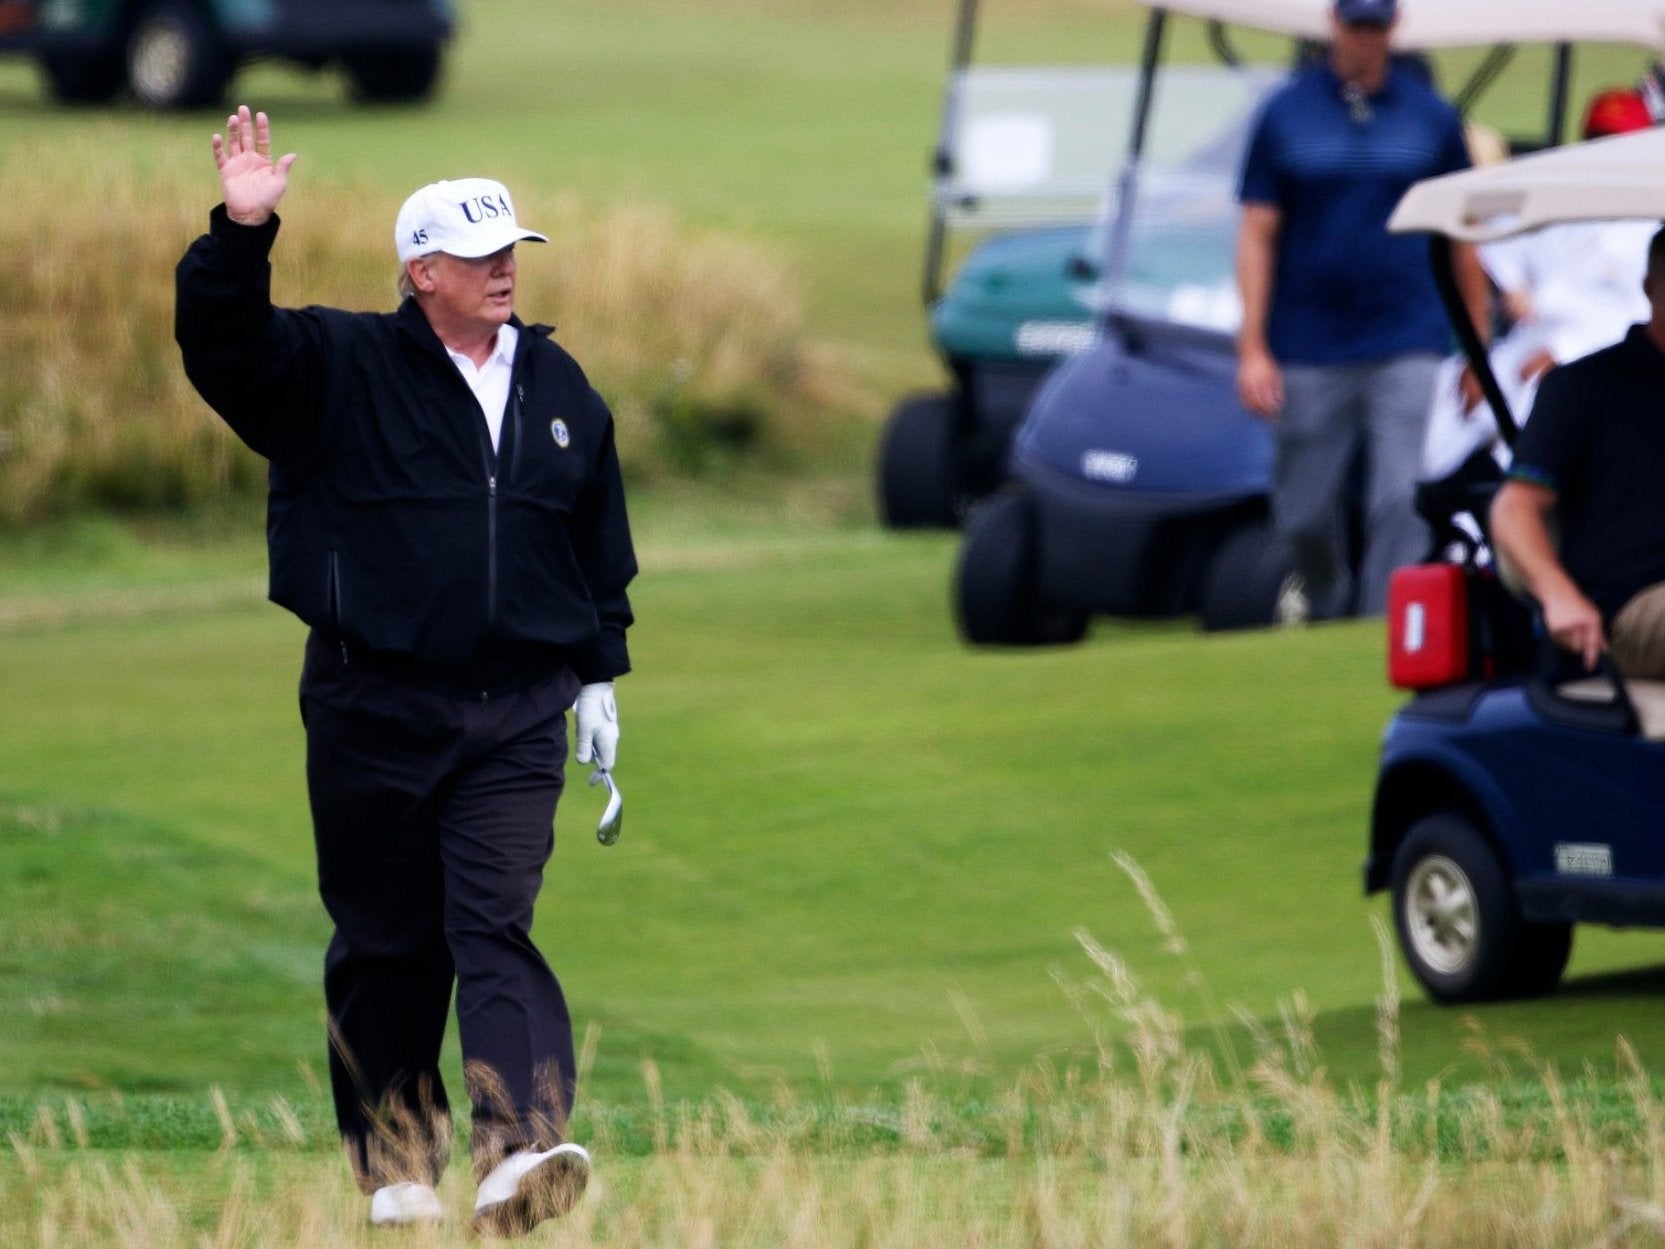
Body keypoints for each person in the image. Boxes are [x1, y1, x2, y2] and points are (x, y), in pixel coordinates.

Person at [174, 106, 636, 1236]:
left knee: (494, 923)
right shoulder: (336, 366)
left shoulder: (559, 387)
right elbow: (225, 350)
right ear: (419, 270)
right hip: (370, 701)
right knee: (388, 939)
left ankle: (519, 1153)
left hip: (516, 707)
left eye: (510, 254)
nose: (501, 274)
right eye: (478, 258)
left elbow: (593, 542)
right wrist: (242, 232)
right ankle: (396, 1163)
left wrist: (599, 673)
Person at [1234, 0, 1489, 620]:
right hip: (1307, 340)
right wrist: (1252, 347)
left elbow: (1463, 238)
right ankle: (1326, 600)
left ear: (1392, 29)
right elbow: (1257, 232)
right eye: (1357, 26)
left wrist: (1476, 348)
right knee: (1304, 511)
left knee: (1398, 497)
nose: (1366, 39)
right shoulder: (1286, 114)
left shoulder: (1430, 118)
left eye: (1377, 26)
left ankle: (1382, 626)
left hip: (1406, 332)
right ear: (1335, 25)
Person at [1421, 89, 1657, 484]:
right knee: (1446, 401)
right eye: (1597, 141)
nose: (1605, 154)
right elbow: (1480, 242)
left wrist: (1564, 351)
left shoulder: (1649, 226)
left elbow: (1637, 315)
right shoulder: (1557, 205)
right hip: (1528, 343)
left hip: (1601, 355)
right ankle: (1441, 514)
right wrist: (1507, 296)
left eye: (1617, 144)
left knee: (1542, 404)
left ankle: (1497, 521)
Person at [1490, 224, 1665, 680]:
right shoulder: (1583, 387)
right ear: (1650, 289)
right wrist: (1557, 595)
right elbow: (1515, 508)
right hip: (1632, 609)